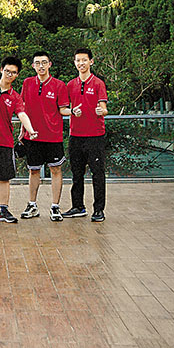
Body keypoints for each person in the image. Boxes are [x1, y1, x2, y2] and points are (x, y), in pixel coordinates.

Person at [0, 57, 39, 223]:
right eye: (7, 71)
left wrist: (30, 130)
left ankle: (3, 210)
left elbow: (22, 114)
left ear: (17, 75)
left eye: (13, 72)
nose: (9, 74)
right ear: (1, 70)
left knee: (4, 178)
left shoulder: (15, 97)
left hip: (4, 141)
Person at [19, 51, 71, 221]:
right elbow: (22, 109)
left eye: (44, 62)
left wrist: (74, 111)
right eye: (37, 63)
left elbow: (63, 109)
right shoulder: (27, 83)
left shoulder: (59, 85)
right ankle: (32, 205)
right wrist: (22, 130)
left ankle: (55, 207)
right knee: (33, 170)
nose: (41, 66)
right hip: (32, 137)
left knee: (56, 170)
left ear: (50, 64)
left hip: (53, 136)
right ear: (33, 66)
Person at [64, 48, 109, 222]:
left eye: (84, 60)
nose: (81, 63)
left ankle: (98, 210)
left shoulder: (98, 83)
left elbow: (104, 108)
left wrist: (101, 111)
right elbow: (64, 108)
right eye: (78, 60)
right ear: (74, 62)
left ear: (91, 61)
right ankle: (78, 207)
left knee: (98, 173)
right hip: (76, 135)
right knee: (76, 173)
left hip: (95, 136)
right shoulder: (70, 85)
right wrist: (71, 111)